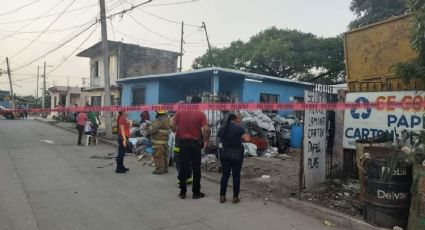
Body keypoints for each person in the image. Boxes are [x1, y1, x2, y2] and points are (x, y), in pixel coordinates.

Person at [171, 96, 209, 199]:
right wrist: (205, 140)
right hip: (195, 143)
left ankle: (183, 192)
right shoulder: (201, 114)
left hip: (183, 143)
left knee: (183, 167)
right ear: (199, 103)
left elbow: (172, 124)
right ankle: (196, 193)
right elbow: (206, 129)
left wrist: (175, 132)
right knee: (196, 168)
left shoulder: (180, 112)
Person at [217, 113, 250, 204]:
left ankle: (222, 197)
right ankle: (235, 197)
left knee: (225, 176)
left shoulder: (222, 128)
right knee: (236, 176)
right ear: (235, 120)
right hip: (236, 155)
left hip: (224, 154)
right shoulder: (238, 128)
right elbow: (247, 139)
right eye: (238, 120)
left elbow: (220, 136)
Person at [148, 109, 170, 174]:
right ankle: (165, 168)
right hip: (165, 142)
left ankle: (159, 170)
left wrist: (149, 127)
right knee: (164, 156)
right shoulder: (168, 120)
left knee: (158, 156)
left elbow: (153, 130)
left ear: (158, 113)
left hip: (158, 142)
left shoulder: (159, 120)